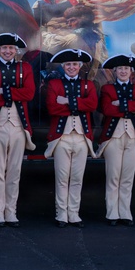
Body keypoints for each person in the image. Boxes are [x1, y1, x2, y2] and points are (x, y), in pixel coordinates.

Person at [0, 33, 36, 227]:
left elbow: (29, 94)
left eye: (11, 48)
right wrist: (14, 93)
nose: (8, 51)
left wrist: (3, 91)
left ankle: (11, 212)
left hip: (19, 126)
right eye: (4, 48)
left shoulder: (25, 67)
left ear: (16, 50)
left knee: (14, 171)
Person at [44, 49, 98, 228]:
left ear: (80, 66)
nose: (71, 67)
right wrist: (79, 104)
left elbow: (92, 105)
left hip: (82, 137)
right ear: (63, 66)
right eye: (68, 64)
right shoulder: (54, 84)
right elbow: (52, 108)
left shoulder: (88, 85)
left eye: (75, 64)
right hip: (62, 137)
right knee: (61, 177)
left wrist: (67, 101)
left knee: (77, 177)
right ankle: (61, 214)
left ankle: (74, 213)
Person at [96, 54, 135, 226]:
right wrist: (129, 107)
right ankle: (112, 213)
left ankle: (125, 213)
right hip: (113, 137)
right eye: (120, 69)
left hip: (133, 138)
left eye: (126, 68)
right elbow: (107, 109)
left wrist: (121, 104)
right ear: (115, 71)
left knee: (127, 177)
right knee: (113, 176)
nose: (123, 71)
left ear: (131, 71)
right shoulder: (107, 89)